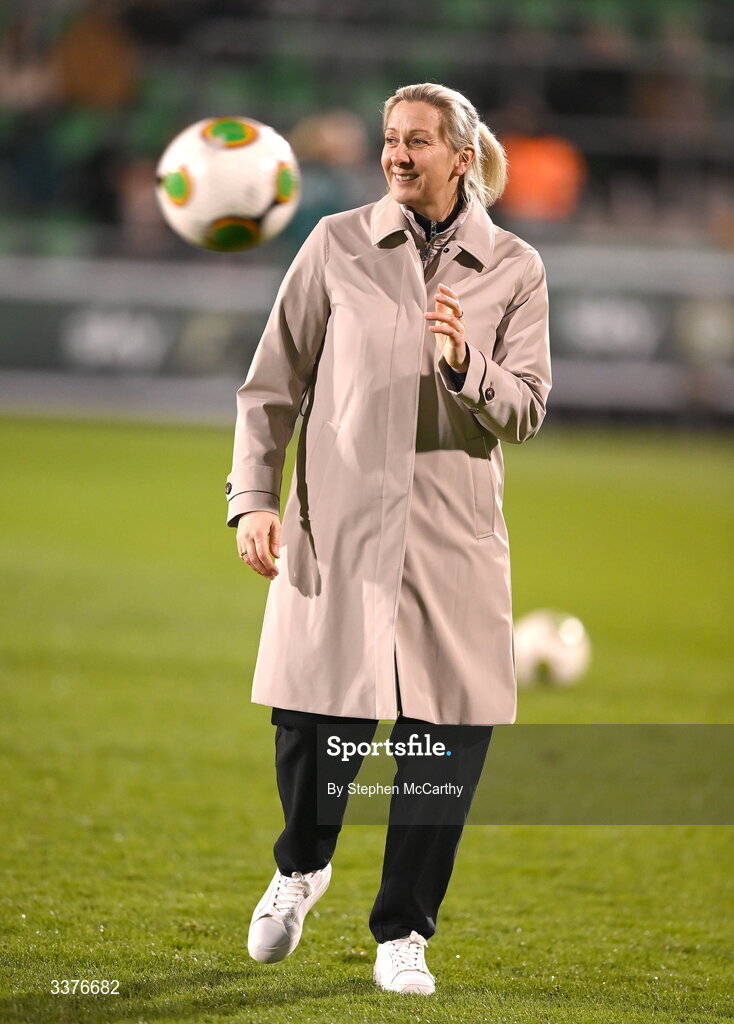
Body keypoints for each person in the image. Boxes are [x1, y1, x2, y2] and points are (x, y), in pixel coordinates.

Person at [225, 82, 551, 996]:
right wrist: (255, 498)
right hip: (338, 532)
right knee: (313, 733)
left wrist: (464, 366)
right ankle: (300, 866)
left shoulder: (516, 268)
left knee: (441, 747)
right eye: (390, 140)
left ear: (461, 155)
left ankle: (403, 932)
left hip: (452, 543)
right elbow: (270, 389)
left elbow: (526, 409)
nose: (398, 156)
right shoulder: (334, 244)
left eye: (418, 142)